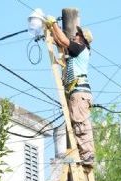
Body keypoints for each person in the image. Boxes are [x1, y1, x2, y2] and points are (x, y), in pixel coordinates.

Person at [47, 18, 95, 167]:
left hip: (79, 93)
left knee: (81, 124)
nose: (75, 35)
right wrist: (51, 29)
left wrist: (53, 23)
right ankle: (85, 155)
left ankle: (87, 155)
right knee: (78, 123)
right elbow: (59, 41)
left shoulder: (80, 48)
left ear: (83, 39)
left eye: (78, 34)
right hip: (78, 93)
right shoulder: (77, 50)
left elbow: (63, 39)